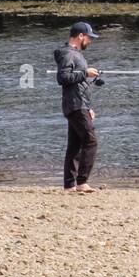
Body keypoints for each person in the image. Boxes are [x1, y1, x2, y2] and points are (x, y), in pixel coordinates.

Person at [54, 20, 100, 193]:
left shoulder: (74, 54)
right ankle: (82, 182)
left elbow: (78, 84)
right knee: (91, 141)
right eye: (89, 37)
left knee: (75, 144)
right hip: (75, 105)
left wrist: (88, 107)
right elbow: (63, 78)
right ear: (80, 36)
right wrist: (85, 73)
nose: (90, 41)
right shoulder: (68, 54)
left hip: (79, 104)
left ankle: (69, 185)